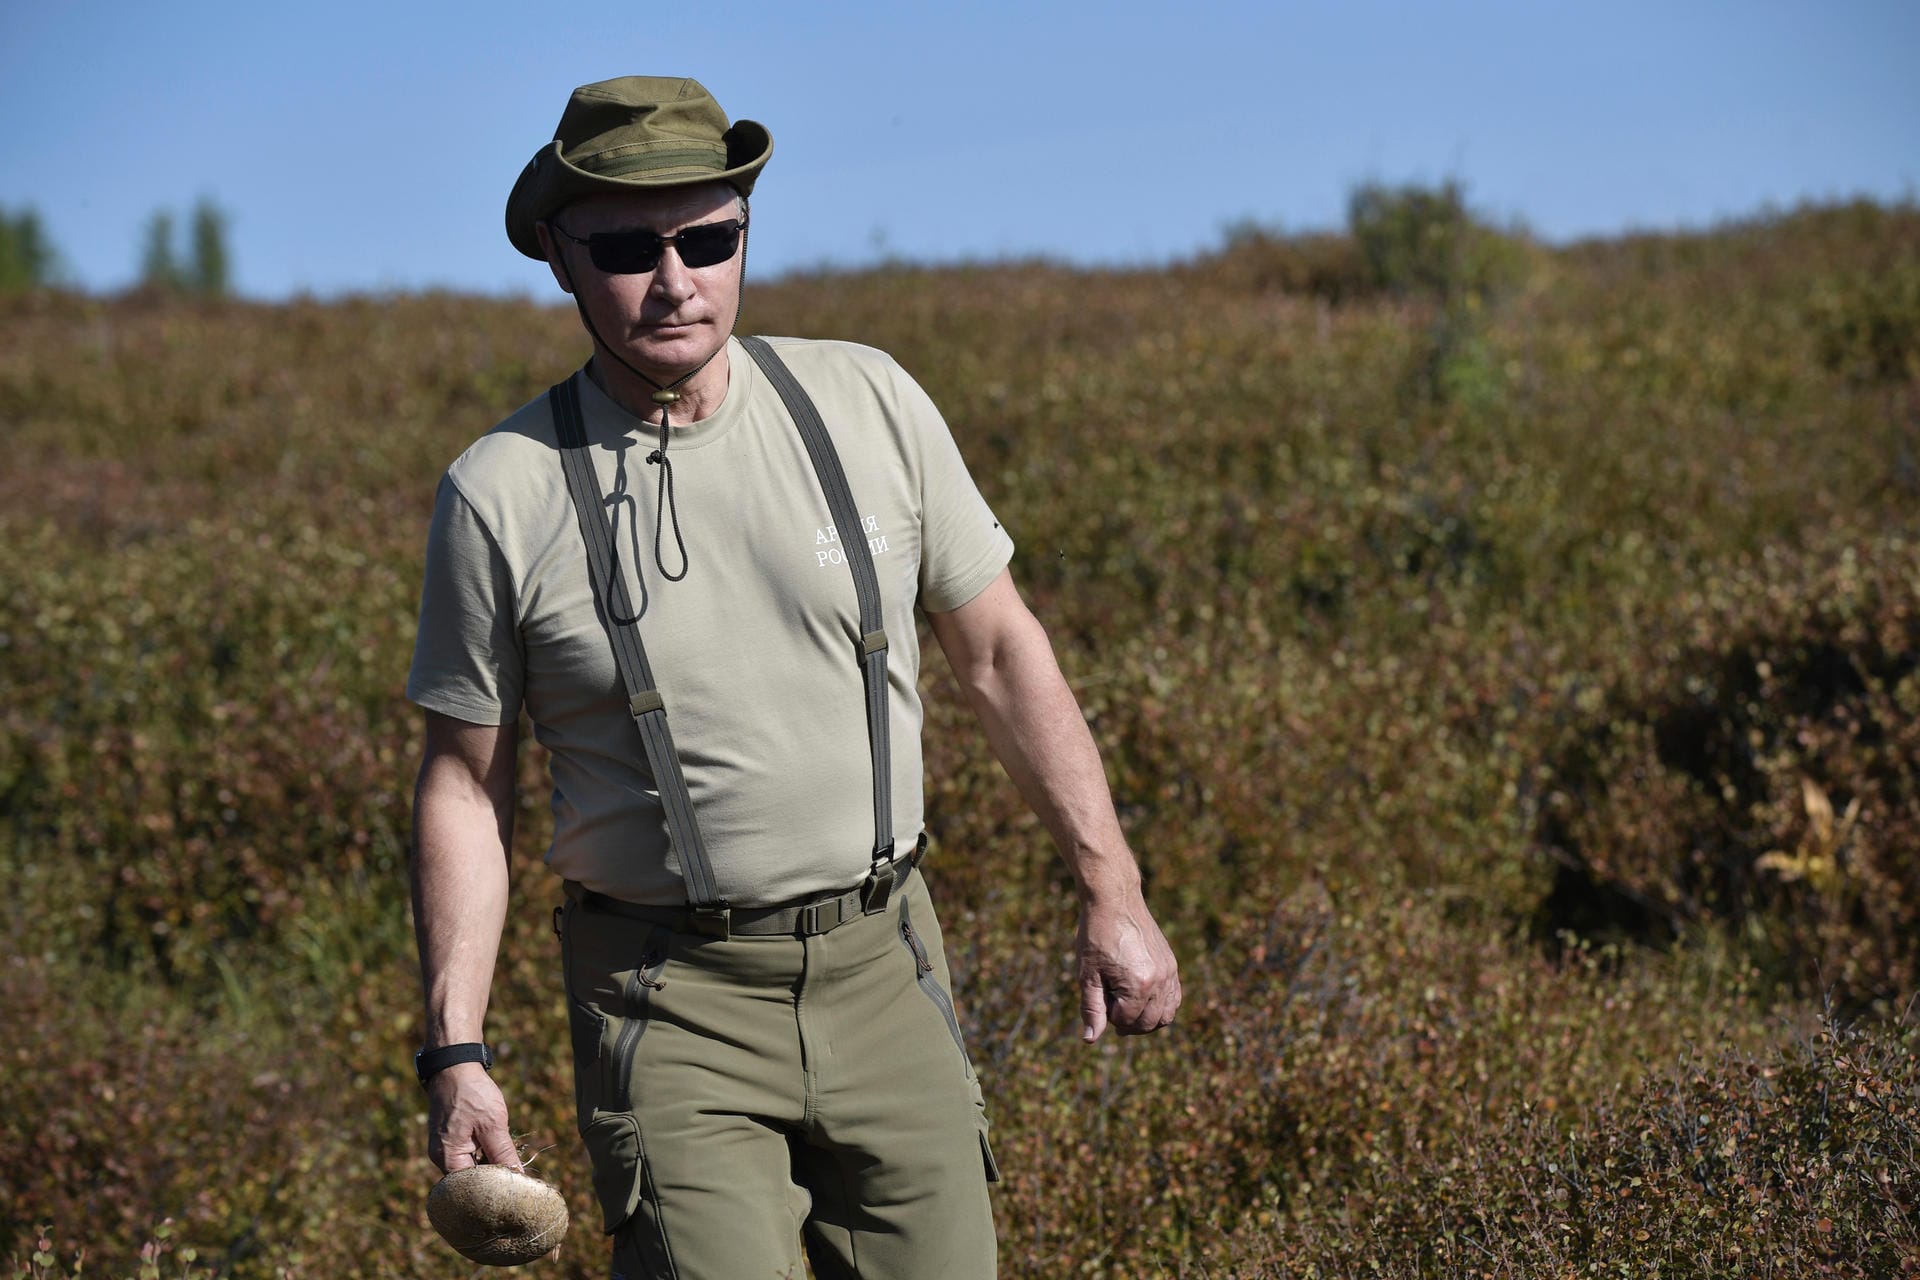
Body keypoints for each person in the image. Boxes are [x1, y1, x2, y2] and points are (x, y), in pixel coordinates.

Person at [406, 75, 1181, 1279]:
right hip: (667, 999)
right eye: (627, 246)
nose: (676, 279)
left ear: (743, 235)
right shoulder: (501, 490)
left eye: (709, 238)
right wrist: (454, 1051)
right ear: (559, 255)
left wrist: (1112, 887)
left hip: (888, 968)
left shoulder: (867, 399)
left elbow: (1000, 650)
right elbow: (465, 787)